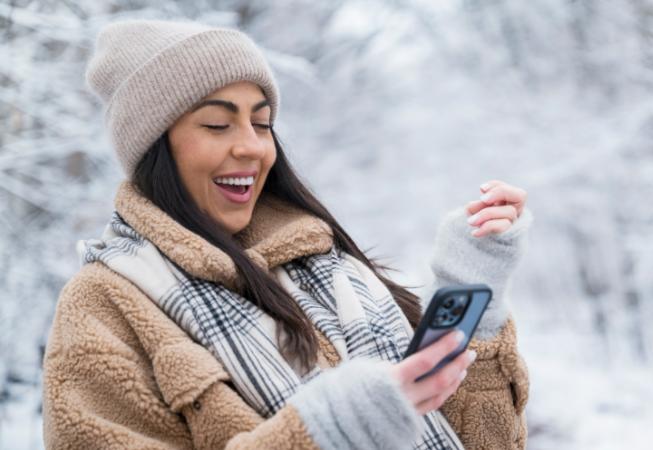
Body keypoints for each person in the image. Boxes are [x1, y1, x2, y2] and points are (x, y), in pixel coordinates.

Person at [41, 19, 533, 450]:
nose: (253, 147)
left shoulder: (329, 269)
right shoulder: (103, 305)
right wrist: (329, 432)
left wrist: (475, 291)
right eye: (217, 124)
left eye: (262, 123)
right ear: (155, 147)